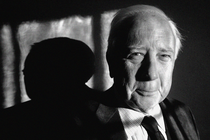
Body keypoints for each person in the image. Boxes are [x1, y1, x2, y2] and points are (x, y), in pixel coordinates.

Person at [93, 5, 200, 140]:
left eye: (164, 56)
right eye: (136, 54)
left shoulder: (181, 112)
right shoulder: (78, 125)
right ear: (111, 61)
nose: (151, 74)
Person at [0, 37, 100, 139]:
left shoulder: (11, 120)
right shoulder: (102, 112)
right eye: (27, 73)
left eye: (40, 73)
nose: (29, 80)